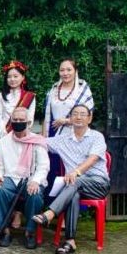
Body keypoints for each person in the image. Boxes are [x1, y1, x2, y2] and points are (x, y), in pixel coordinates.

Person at [32, 104, 109, 254]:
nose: (78, 117)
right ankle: (70, 241)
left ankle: (50, 214)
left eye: (83, 114)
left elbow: (93, 159)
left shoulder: (97, 137)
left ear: (89, 118)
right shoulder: (62, 140)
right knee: (74, 194)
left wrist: (76, 172)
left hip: (98, 183)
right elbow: (40, 141)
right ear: (70, 118)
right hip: (74, 186)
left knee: (75, 182)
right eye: (75, 114)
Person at [0, 107, 49, 249]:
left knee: (35, 194)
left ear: (28, 122)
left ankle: (30, 232)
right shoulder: (3, 142)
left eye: (21, 120)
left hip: (31, 178)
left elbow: (43, 166)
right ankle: (4, 231)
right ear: (11, 121)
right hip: (9, 178)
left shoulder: (37, 141)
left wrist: (35, 181)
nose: (18, 122)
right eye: (15, 120)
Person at [42, 58, 95, 197]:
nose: (65, 73)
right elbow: (46, 116)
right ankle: (50, 202)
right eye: (62, 70)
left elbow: (88, 116)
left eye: (69, 70)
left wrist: (65, 121)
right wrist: (44, 136)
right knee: (51, 168)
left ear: (75, 71)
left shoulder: (83, 90)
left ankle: (69, 202)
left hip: (74, 135)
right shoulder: (54, 89)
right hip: (53, 134)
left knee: (69, 168)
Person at [0, 60, 36, 140]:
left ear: (23, 77)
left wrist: (20, 134)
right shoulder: (0, 96)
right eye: (9, 77)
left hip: (23, 136)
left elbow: (30, 119)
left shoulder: (30, 96)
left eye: (15, 76)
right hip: (3, 136)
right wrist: (5, 135)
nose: (12, 79)